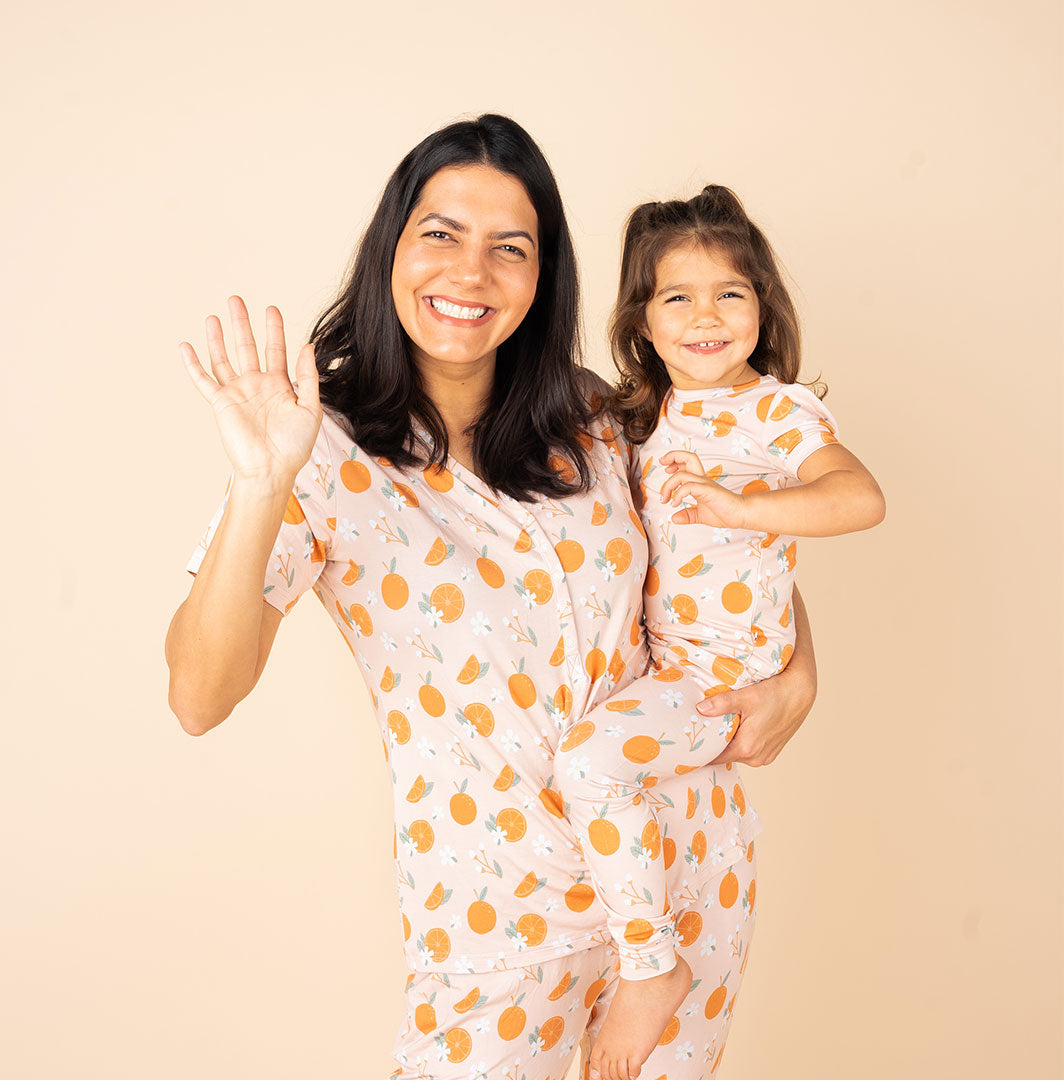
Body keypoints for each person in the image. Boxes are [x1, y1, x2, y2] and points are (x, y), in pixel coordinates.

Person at [165, 115, 819, 1080]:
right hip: (497, 912)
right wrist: (264, 485)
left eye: (508, 249)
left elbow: (738, 544)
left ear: (542, 277)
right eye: (441, 235)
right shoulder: (319, 449)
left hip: (683, 877)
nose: (470, 274)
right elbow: (198, 694)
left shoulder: (600, 420)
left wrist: (800, 673)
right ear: (392, 247)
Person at [551, 185, 885, 1080]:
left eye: (729, 294)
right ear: (644, 322)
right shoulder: (643, 417)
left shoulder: (778, 414)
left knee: (587, 764)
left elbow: (860, 497)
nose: (706, 317)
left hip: (720, 681)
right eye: (678, 298)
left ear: (762, 308)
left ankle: (651, 967)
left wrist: (747, 503)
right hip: (670, 678)